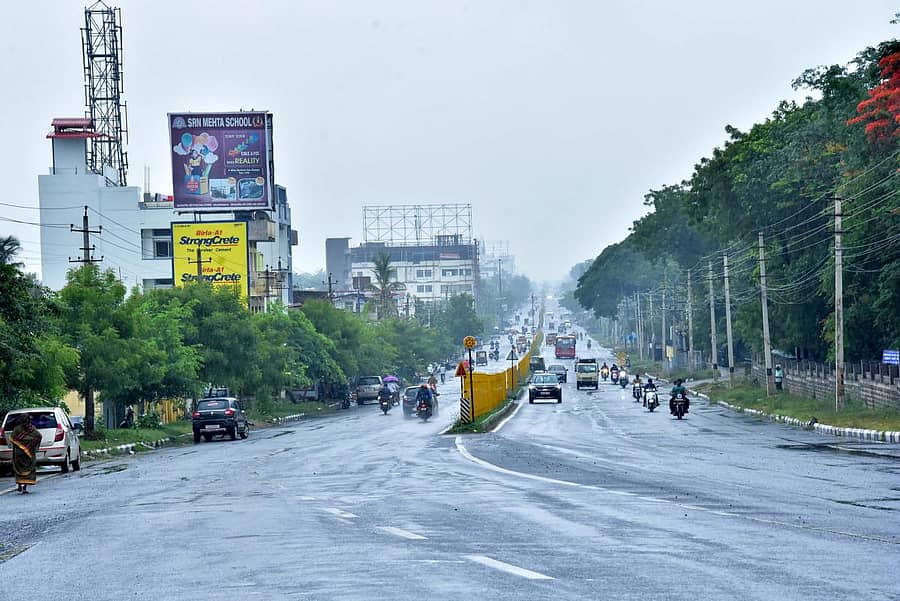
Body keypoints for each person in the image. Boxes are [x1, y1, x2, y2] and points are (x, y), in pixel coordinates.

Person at [10, 415, 42, 494]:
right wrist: (31, 444)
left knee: (19, 469)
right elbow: (39, 436)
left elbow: (12, 438)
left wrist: (21, 444)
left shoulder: (17, 429)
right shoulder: (32, 429)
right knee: (29, 468)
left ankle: (20, 485)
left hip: (18, 452)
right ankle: (24, 487)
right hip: (29, 453)